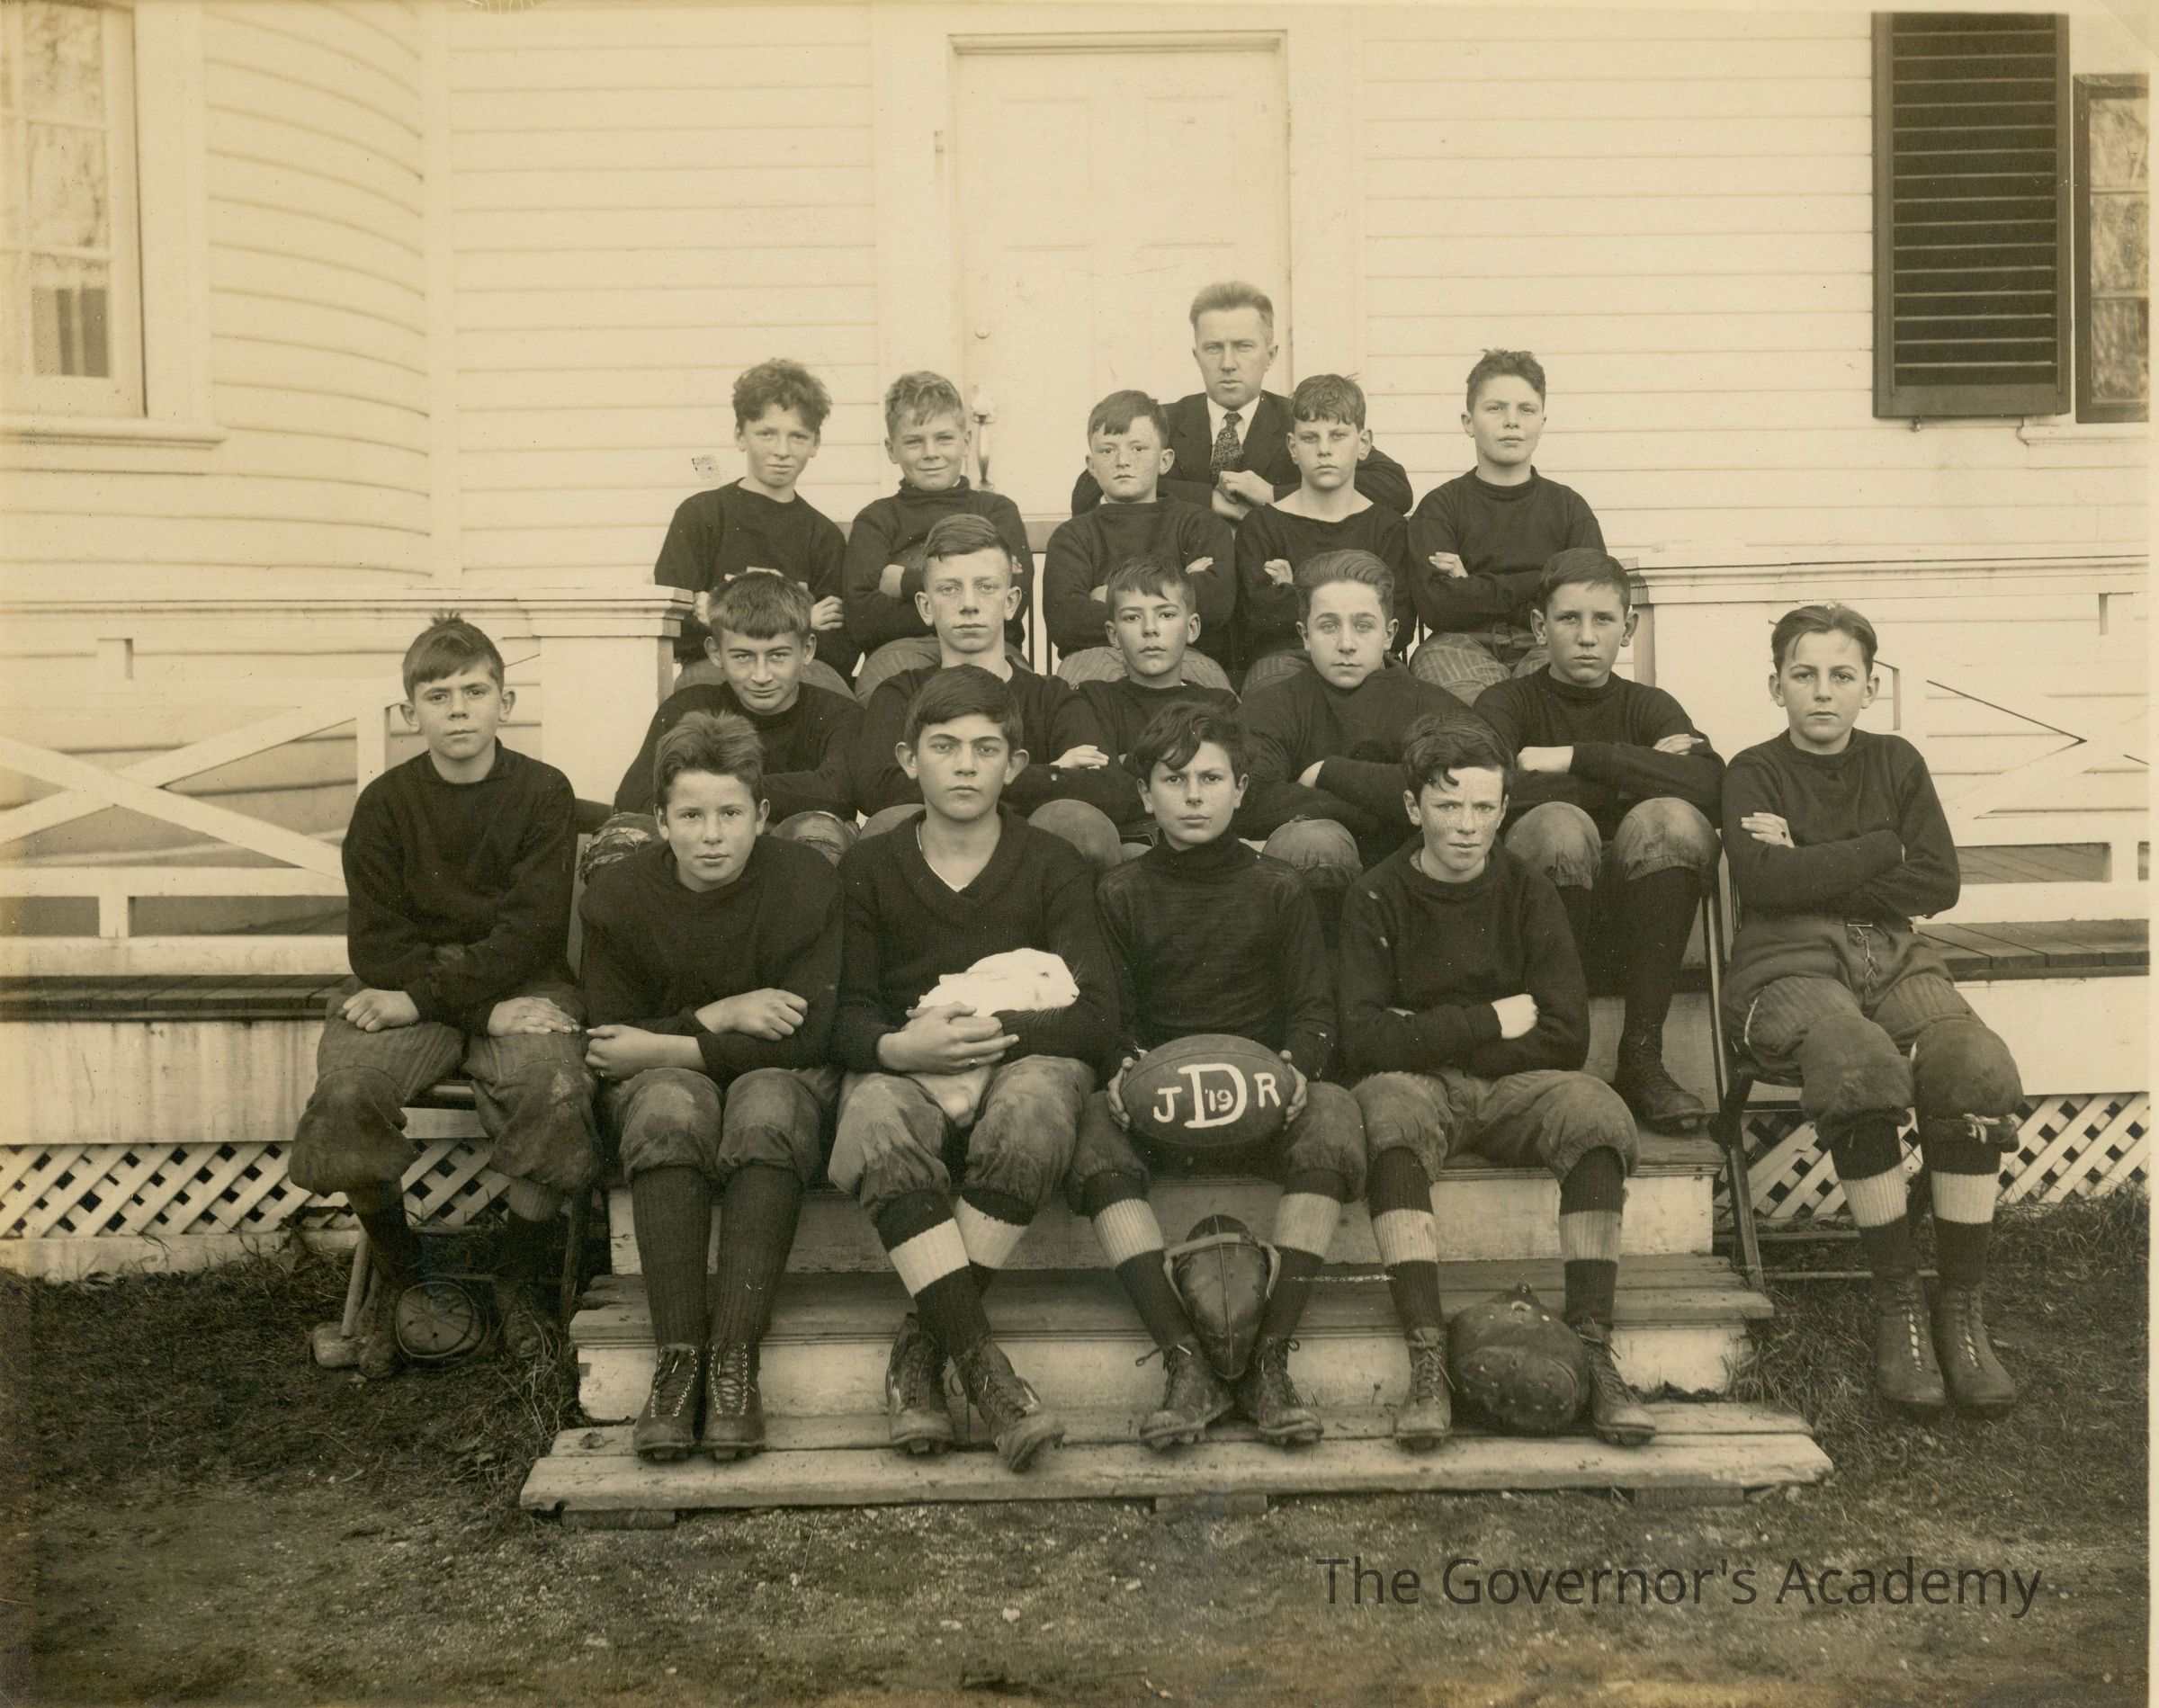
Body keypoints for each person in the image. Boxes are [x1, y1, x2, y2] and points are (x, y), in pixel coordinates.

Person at [1723, 604, 2020, 1417]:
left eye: (1842, 675)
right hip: (1786, 962)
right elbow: (1767, 883)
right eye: (1804, 674)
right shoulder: (1753, 769)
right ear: (1777, 686)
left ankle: (1959, 1305)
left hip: (1894, 956)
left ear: (1869, 687)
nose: (1823, 691)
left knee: (1972, 1061)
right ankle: (1898, 1301)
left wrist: (1810, 857)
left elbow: (1939, 881)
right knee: (1854, 1057)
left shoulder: (1897, 761)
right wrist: (1883, 847)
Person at [289, 615, 598, 1380]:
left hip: (520, 984)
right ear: (410, 712)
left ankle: (519, 1279)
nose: (458, 709)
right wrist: (470, 1011)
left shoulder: (542, 791)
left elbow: (531, 932)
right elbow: (375, 947)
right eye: (438, 695)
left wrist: (459, 1004)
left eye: (475, 691)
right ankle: (402, 1279)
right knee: (346, 1094)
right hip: (407, 988)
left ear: (505, 701)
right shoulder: (384, 803)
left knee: (553, 1090)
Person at [829, 666, 1120, 1471]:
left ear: (1015, 764)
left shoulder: (1052, 861)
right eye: (944, 746)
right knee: (874, 1119)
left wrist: (993, 1031)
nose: (964, 765)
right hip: (910, 1058)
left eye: (986, 749)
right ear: (907, 758)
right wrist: (899, 1049)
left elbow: (1099, 1014)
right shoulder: (868, 867)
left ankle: (927, 1348)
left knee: (1036, 1112)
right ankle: (987, 1370)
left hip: (1021, 1054)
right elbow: (843, 1013)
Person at [1339, 717, 1655, 1451]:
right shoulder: (1376, 895)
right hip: (1418, 1084)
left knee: (1594, 1109)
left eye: (1484, 806)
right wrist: (1491, 1018)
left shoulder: (1526, 890)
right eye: (1447, 805)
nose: (1466, 824)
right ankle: (1427, 1359)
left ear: (1505, 808)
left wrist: (1430, 1030)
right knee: (1385, 1111)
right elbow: (1363, 1038)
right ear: (1413, 806)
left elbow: (1566, 1035)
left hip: (1513, 1082)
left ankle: (1593, 1347)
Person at [1073, 706, 1364, 1449]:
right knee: (1095, 1130)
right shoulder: (1119, 891)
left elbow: (1314, 1009)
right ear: (1146, 794)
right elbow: (1110, 1014)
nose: (1194, 795)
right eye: (1175, 780)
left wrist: (1298, 1067)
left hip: (1260, 1099)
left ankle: (1269, 1360)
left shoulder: (1280, 887)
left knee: (1334, 1114)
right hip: (1163, 1106)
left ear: (1241, 789)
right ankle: (1184, 1359)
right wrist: (1121, 1067)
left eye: (1211, 778)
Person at [578, 711, 842, 1462]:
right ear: (661, 821)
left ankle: (734, 1359)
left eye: (730, 813)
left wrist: (669, 1042)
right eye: (691, 816)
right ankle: (678, 1360)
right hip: (665, 1080)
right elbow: (612, 1040)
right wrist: (719, 1016)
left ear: (762, 814)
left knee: (767, 1104)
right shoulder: (619, 896)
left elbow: (809, 1035)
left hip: (777, 1072)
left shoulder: (806, 881)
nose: (713, 835)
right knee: (668, 1106)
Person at [1474, 550, 1724, 1130]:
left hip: (1642, 915)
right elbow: (1488, 788)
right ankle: (1559, 1049)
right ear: (1540, 626)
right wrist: (1636, 772)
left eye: (1604, 620)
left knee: (1673, 819)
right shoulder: (1506, 703)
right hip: (1542, 917)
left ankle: (1641, 1055)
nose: (1587, 637)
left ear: (1628, 627)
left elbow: (1710, 784)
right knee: (1560, 824)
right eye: (1569, 619)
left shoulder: (1650, 705)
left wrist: (1572, 759)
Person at [853, 514, 1129, 871]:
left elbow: (1110, 788)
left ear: (1011, 601)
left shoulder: (1052, 697)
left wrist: (962, 784)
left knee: (1077, 822)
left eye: (986, 587)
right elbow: (878, 788)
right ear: (925, 606)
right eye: (950, 589)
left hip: (1033, 877)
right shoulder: (901, 693)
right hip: (936, 874)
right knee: (890, 825)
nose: (969, 604)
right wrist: (1049, 773)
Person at [1234, 549, 1479, 911]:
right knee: (1314, 841)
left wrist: (1328, 772)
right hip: (1315, 893)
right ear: (1304, 635)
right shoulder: (1275, 705)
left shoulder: (1431, 706)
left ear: (1389, 634)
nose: (1346, 644)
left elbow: (1470, 787)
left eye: (1363, 626)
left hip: (1418, 890)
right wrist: (1378, 811)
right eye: (1328, 626)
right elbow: (1250, 797)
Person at [1069, 282, 1411, 523]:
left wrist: (1276, 495)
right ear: (1196, 355)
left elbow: (1394, 487)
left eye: (1243, 347)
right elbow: (1087, 491)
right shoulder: (1161, 422)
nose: (1228, 363)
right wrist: (1208, 500)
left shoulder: (1300, 421)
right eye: (1214, 348)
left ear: (1270, 355)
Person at [605, 575, 862, 867]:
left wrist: (719, 800)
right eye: (743, 657)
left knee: (819, 833)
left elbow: (838, 791)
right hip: (699, 856)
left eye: (778, 655)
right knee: (625, 835)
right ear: (716, 652)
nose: (761, 675)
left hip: (787, 865)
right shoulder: (690, 707)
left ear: (807, 650)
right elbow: (636, 798)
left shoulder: (838, 713)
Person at [1407, 350, 1605, 700]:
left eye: (1526, 410)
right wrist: (1543, 581)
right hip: (1459, 646)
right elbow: (1438, 607)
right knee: (1475, 713)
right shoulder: (1440, 506)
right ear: (1468, 422)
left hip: (1549, 643)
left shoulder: (1569, 508)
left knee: (1552, 703)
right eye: (1495, 408)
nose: (1511, 421)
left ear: (1542, 422)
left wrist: (1471, 587)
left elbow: (1589, 600)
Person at [652, 358, 854, 683]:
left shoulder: (823, 535)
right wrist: (801, 620)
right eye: (767, 434)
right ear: (740, 435)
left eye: (798, 436)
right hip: (715, 671)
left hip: (797, 678)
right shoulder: (702, 515)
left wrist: (720, 616)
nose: (782, 450)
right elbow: (676, 626)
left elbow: (839, 650)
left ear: (815, 443)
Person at [843, 371, 1033, 704]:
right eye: (914, 442)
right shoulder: (877, 519)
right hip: (901, 651)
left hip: (990, 647)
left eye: (944, 438)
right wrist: (970, 594)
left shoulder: (996, 511)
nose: (930, 453)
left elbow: (1013, 602)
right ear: (891, 449)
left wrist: (907, 583)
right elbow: (863, 619)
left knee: (1014, 701)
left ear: (966, 441)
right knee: (887, 699)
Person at [1235, 374, 1417, 692]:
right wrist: (1360, 608)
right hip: (1287, 665)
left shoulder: (1388, 528)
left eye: (1337, 436)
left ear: (1363, 443)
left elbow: (1399, 625)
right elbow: (1259, 620)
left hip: (1368, 664)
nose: (1324, 450)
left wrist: (1294, 590)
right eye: (1310, 438)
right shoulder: (1262, 526)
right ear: (1292, 447)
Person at [1044, 389, 1236, 680]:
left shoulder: (1199, 523)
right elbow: (1067, 623)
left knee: (1208, 695)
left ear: (1165, 460)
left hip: (1186, 657)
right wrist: (1179, 587)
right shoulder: (1073, 536)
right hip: (1097, 656)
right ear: (1092, 465)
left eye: (1138, 449)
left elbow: (1216, 604)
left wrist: (1111, 595)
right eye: (1108, 451)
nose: (1123, 460)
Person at [1069, 555, 1241, 851]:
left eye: (1166, 614)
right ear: (1113, 634)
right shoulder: (1095, 699)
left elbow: (1235, 792)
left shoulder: (1220, 704)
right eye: (1132, 617)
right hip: (1131, 844)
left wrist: (1130, 762)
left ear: (1192, 628)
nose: (1150, 629)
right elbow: (1104, 792)